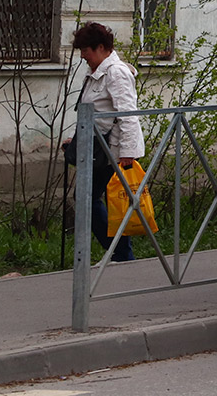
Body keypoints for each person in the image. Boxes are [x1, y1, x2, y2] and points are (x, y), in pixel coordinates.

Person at [64, 22, 145, 261]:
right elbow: (95, 111)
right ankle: (120, 254)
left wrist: (128, 152)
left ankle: (121, 255)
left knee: (99, 201)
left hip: (115, 152)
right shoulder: (98, 72)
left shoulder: (116, 73)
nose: (82, 56)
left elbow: (128, 113)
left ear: (100, 48)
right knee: (103, 202)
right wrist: (78, 137)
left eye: (85, 51)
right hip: (99, 149)